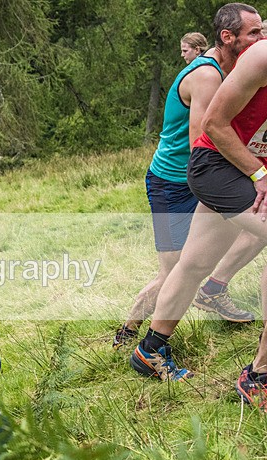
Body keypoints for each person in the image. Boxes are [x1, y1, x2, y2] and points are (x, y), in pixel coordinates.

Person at [113, 3, 266, 350]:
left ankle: (208, 294)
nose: (261, 39)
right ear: (228, 37)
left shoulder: (242, 70)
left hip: (222, 173)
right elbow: (202, 139)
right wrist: (242, 180)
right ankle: (129, 332)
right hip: (173, 182)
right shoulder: (208, 75)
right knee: (174, 268)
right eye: (254, 32)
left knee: (202, 258)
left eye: (262, 31)